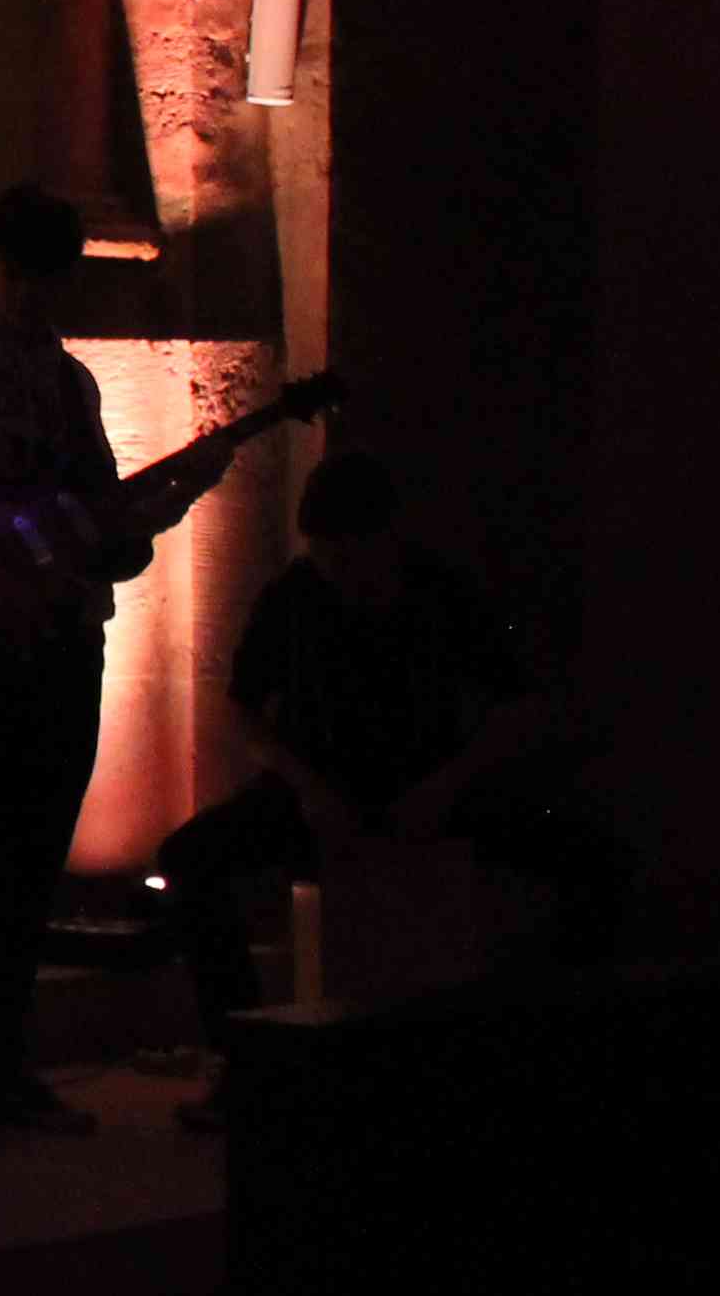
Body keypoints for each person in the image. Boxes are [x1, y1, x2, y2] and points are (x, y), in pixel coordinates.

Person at [0, 182, 235, 1144]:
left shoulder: (68, 384)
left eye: (46, 280)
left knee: (30, 857)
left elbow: (99, 523)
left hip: (62, 637)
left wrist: (177, 495)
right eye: (20, 276)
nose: (30, 296)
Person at [159, 451, 631, 1130]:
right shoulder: (294, 595)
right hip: (320, 794)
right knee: (188, 857)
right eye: (328, 559)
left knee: (597, 861)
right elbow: (245, 709)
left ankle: (559, 1050)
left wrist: (447, 783)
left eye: (355, 559)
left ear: (389, 540)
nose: (342, 575)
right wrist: (306, 786)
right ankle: (245, 1066)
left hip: (430, 788)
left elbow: (516, 705)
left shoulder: (443, 591)